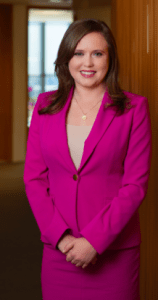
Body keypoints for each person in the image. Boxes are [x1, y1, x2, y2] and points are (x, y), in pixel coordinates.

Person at [24, 19, 152, 300]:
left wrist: (94, 241)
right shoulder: (45, 106)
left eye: (98, 53)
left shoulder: (134, 109)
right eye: (78, 53)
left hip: (114, 252)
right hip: (61, 251)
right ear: (66, 58)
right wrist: (62, 238)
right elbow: (34, 179)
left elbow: (135, 186)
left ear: (110, 58)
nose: (88, 62)